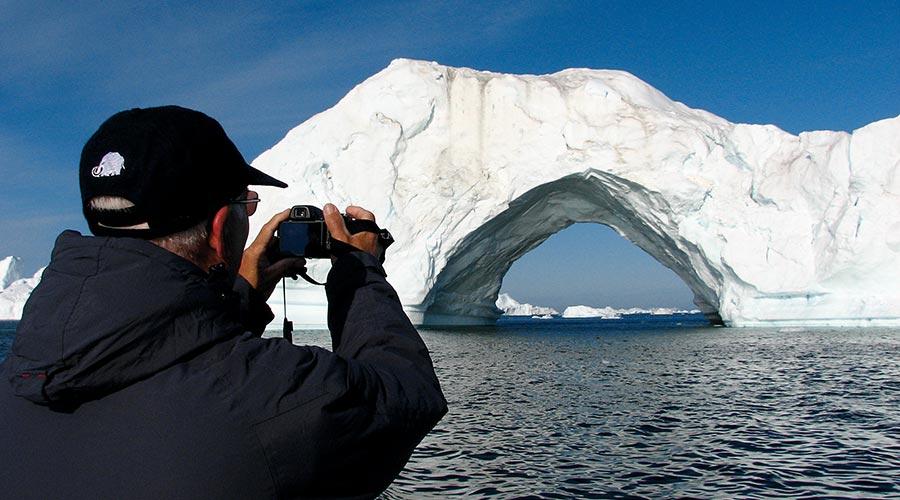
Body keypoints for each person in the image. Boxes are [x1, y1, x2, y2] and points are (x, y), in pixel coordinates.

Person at [0, 106, 447, 499]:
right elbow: (406, 393)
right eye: (245, 205)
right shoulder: (277, 397)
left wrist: (241, 296)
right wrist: (359, 269)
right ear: (219, 228)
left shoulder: (21, 372)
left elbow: (166, 354)